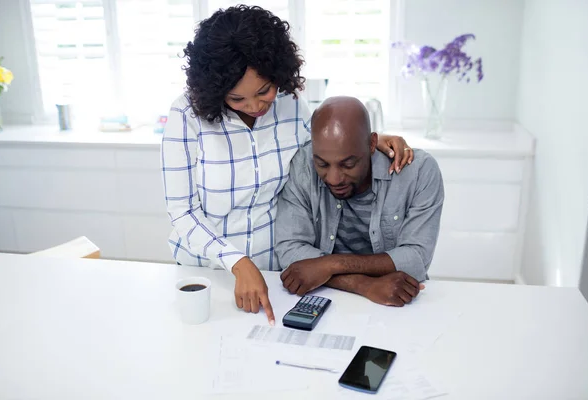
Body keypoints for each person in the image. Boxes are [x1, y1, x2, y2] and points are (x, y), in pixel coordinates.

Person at [162, 5, 415, 325]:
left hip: (277, 273)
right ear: (214, 89)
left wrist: (372, 141)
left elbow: (328, 143)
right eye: (237, 99)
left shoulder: (291, 104)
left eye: (264, 91)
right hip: (204, 274)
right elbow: (182, 211)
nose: (254, 106)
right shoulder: (186, 115)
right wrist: (238, 262)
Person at [275, 96, 444, 307]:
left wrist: (329, 264)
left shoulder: (418, 172)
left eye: (348, 164)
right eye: (323, 164)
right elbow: (290, 252)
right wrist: (364, 286)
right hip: (327, 298)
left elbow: (415, 260)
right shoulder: (303, 164)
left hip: (397, 301)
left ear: (372, 143)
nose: (334, 179)